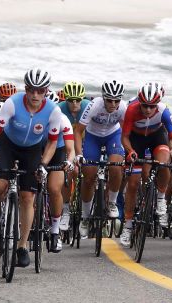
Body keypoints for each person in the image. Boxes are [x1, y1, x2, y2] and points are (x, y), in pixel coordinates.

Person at [0, 69, 62, 268]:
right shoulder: (12, 103)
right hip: (8, 146)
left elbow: (52, 142)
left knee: (28, 198)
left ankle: (22, 246)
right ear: (25, 89)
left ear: (46, 91)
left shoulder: (53, 111)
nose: (35, 95)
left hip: (32, 151)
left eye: (40, 91)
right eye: (31, 90)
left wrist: (43, 164)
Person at [119, 83, 172, 247]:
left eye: (151, 106)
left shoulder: (163, 111)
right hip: (136, 140)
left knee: (163, 163)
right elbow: (124, 137)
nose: (147, 109)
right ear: (139, 102)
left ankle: (161, 199)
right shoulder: (131, 110)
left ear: (157, 104)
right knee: (132, 183)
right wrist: (130, 151)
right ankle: (128, 225)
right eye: (144, 105)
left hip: (156, 137)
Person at [73, 80, 127, 239]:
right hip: (93, 137)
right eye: (109, 100)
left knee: (116, 167)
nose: (113, 104)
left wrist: (128, 150)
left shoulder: (123, 108)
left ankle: (111, 202)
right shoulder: (94, 105)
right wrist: (78, 154)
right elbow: (78, 132)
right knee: (89, 176)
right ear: (103, 98)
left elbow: (126, 131)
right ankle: (85, 217)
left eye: (116, 100)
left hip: (113, 136)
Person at [41, 91, 76, 252]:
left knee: (54, 188)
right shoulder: (35, 117)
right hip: (36, 150)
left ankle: (55, 230)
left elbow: (71, 149)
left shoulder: (63, 119)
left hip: (58, 151)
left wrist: (69, 162)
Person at [57, 81, 89, 232]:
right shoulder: (59, 109)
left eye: (78, 100)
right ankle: (66, 209)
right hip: (66, 143)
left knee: (90, 173)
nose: (75, 103)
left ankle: (86, 208)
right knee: (70, 171)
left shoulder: (88, 106)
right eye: (71, 100)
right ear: (66, 100)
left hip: (85, 141)